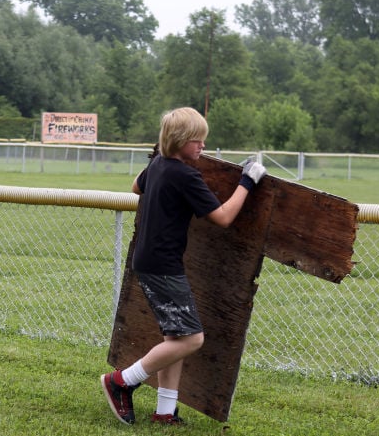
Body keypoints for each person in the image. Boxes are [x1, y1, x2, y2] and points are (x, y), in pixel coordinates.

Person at [100, 106, 267, 426]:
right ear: (178, 140)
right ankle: (121, 381)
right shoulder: (185, 174)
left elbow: (136, 186)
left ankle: (165, 412)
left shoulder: (160, 165)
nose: (203, 146)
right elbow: (223, 217)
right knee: (192, 339)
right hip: (163, 267)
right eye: (197, 141)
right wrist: (247, 182)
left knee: (175, 339)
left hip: (149, 261)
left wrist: (156, 158)